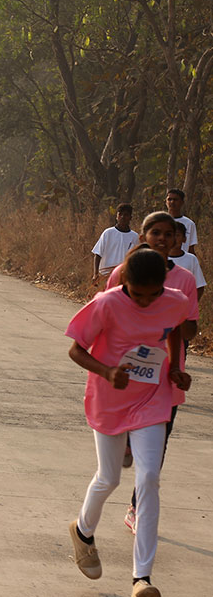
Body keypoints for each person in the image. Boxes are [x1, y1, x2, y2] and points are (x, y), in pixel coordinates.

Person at [66, 248, 192, 597]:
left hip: (151, 397)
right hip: (109, 397)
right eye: (138, 294)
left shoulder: (176, 300)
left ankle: (142, 578)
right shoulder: (106, 303)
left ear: (163, 286)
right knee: (109, 477)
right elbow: (75, 348)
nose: (146, 302)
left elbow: (175, 330)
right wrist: (107, 371)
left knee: (149, 477)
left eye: (153, 294)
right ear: (125, 282)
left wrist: (177, 368)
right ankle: (82, 531)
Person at [105, 212, 198, 535]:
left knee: (160, 444)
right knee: (120, 446)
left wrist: (175, 310)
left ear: (177, 240)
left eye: (168, 234)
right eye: (154, 232)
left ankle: (136, 507)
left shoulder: (184, 279)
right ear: (142, 236)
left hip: (166, 375)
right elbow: (108, 319)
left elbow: (189, 331)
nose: (161, 238)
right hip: (129, 372)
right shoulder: (121, 273)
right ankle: (127, 443)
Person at [92, 204, 139, 286]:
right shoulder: (108, 233)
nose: (122, 217)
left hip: (125, 277)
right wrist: (95, 274)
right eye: (120, 214)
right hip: (107, 276)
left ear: (130, 218)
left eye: (126, 215)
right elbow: (98, 254)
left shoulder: (135, 237)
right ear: (117, 216)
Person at [169, 222, 205, 301]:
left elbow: (199, 287)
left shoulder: (191, 259)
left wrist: (190, 306)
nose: (174, 239)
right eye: (170, 235)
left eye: (177, 235)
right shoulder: (158, 259)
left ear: (184, 239)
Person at [165, 189, 197, 254]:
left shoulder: (189, 224)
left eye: (175, 199)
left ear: (182, 202)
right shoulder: (159, 221)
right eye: (169, 199)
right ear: (166, 202)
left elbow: (191, 249)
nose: (172, 202)